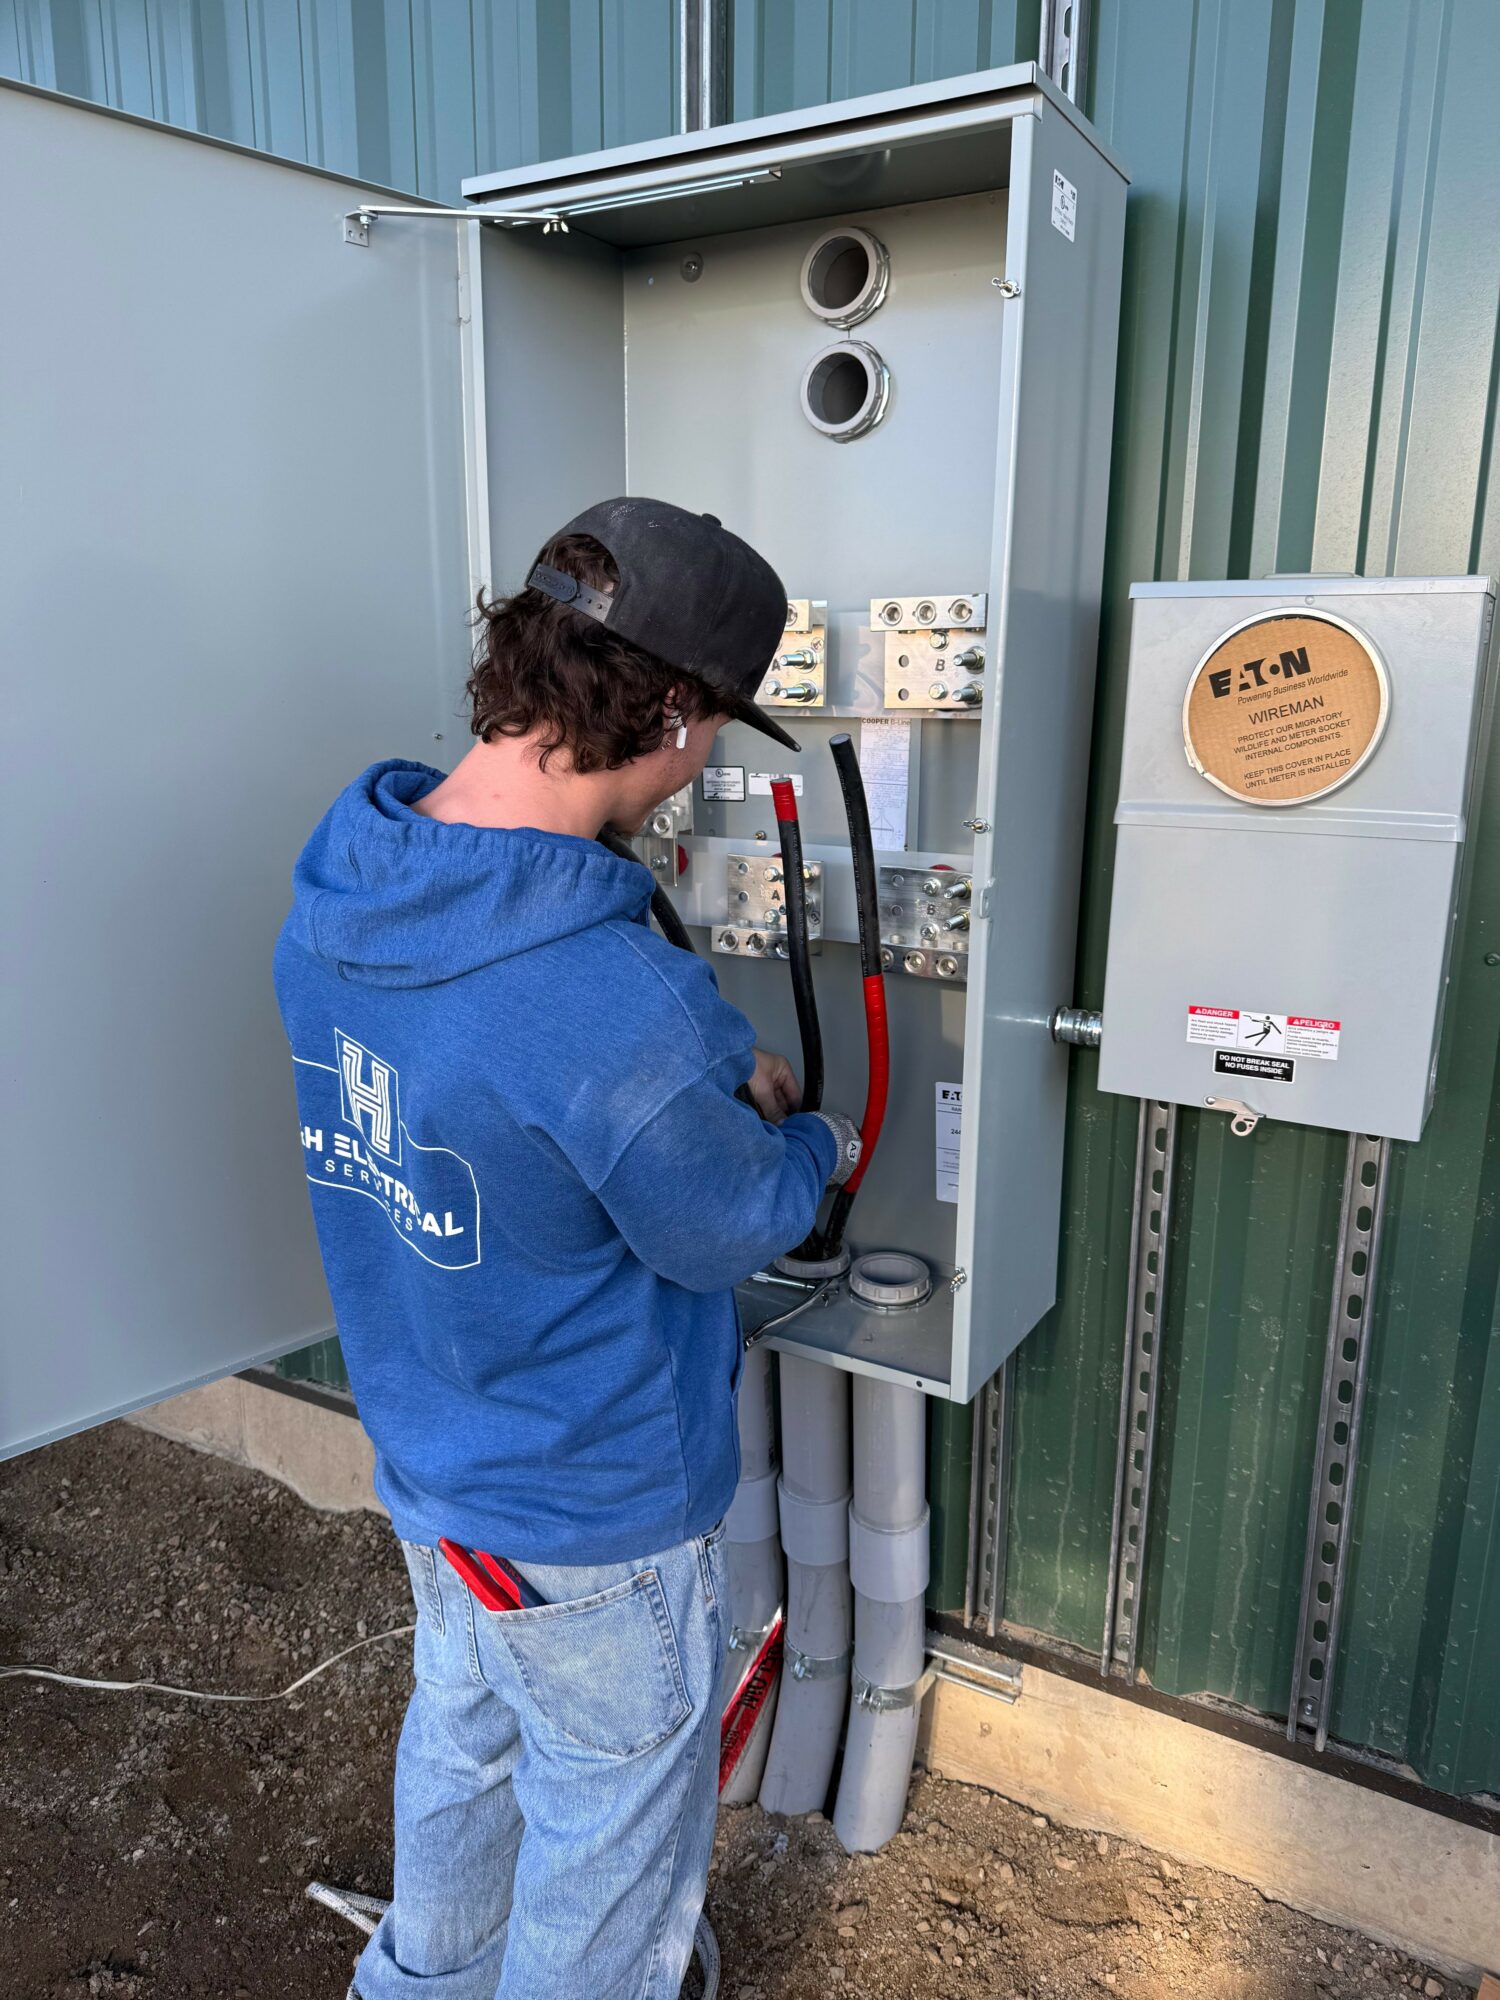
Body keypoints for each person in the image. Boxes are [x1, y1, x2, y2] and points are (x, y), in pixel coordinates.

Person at [273, 497, 860, 1999]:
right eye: (709, 730)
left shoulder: (346, 886)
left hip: (436, 1465)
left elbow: (500, 1094)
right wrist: (808, 1145)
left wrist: (685, 1085)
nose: (702, 764)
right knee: (610, 1833)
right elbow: (723, 1226)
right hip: (592, 1513)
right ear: (668, 712)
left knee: (465, 1744)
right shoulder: (609, 994)